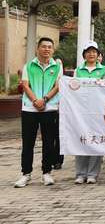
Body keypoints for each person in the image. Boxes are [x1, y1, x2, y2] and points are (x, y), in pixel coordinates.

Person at [14, 37, 62, 188]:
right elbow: (25, 86)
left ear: (53, 50)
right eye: (43, 47)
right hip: (30, 108)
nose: (46, 49)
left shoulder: (57, 67)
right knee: (28, 142)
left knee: (49, 142)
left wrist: (45, 99)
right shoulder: (28, 66)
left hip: (50, 108)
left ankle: (46, 173)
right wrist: (36, 101)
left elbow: (58, 85)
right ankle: (25, 174)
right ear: (37, 49)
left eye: (49, 47)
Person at [73, 41, 105, 185]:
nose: (91, 54)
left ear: (98, 54)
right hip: (81, 111)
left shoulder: (104, 70)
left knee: (96, 140)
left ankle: (93, 174)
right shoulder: (78, 70)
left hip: (98, 111)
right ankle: (80, 173)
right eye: (88, 51)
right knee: (81, 140)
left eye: (94, 51)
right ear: (84, 54)